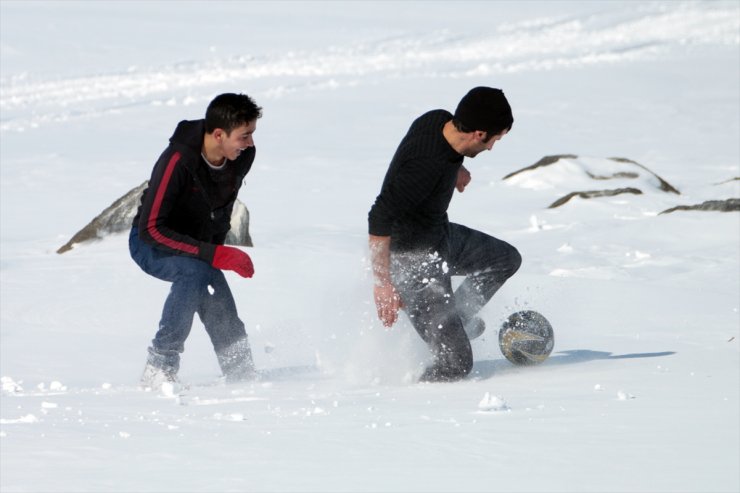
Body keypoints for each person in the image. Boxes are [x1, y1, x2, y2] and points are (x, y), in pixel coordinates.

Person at [368, 87, 522, 382]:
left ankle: (458, 318)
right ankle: (412, 401)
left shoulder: (437, 119)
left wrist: (457, 169)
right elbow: (379, 216)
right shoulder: (425, 168)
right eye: (494, 140)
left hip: (441, 236)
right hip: (414, 263)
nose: (491, 148)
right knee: (456, 363)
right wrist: (383, 284)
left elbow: (438, 152)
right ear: (479, 133)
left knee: (506, 259)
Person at [129, 93, 261, 388]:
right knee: (195, 272)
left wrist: (214, 248)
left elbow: (223, 206)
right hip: (151, 243)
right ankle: (159, 366)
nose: (250, 143)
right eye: (244, 136)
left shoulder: (242, 157)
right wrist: (212, 254)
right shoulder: (178, 161)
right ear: (218, 134)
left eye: (251, 134)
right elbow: (151, 228)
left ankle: (241, 372)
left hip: (197, 243)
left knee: (214, 289)